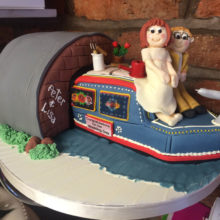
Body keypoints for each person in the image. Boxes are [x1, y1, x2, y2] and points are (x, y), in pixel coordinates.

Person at [135, 18, 182, 126]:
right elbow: (149, 65)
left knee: (166, 96)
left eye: (160, 31)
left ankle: (171, 115)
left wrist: (173, 74)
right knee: (156, 99)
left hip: (166, 80)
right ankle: (167, 119)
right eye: (152, 31)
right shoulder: (146, 51)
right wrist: (160, 73)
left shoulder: (165, 52)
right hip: (155, 79)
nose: (156, 35)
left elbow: (168, 65)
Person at [169, 26, 206, 118]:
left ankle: (194, 104)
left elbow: (185, 66)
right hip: (171, 79)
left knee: (183, 91)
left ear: (190, 40)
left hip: (179, 78)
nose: (180, 41)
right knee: (176, 93)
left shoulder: (185, 55)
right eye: (177, 37)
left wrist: (184, 72)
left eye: (184, 38)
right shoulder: (168, 53)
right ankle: (184, 107)